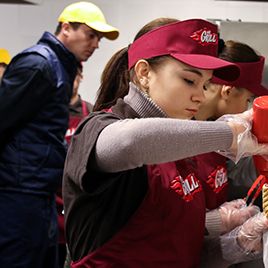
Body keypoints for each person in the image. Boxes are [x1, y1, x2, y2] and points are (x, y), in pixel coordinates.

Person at [63, 18, 268, 267]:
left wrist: (238, 243)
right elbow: (131, 142)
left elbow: (181, 251)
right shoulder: (98, 128)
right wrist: (230, 133)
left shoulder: (183, 153)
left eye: (205, 84)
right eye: (189, 81)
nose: (200, 96)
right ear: (144, 73)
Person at [0, 1, 119, 268]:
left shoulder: (59, 67)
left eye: (98, 38)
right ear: (66, 28)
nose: (96, 44)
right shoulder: (39, 64)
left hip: (39, 189)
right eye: (91, 35)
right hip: (20, 190)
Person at [193, 40, 268, 267]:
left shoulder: (220, 147)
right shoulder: (186, 140)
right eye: (246, 101)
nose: (247, 110)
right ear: (228, 90)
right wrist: (215, 221)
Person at [57, 64, 93, 268]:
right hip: (52, 201)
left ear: (80, 78)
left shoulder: (89, 112)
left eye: (74, 75)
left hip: (77, 200)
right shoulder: (49, 112)